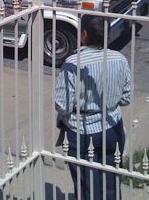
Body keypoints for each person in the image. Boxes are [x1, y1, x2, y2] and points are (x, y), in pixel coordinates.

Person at [54, 16, 131, 200]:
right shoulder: (119, 59)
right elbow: (126, 97)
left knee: (87, 186)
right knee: (111, 181)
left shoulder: (73, 63)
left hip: (82, 130)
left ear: (84, 34)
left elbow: (62, 104)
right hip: (113, 126)